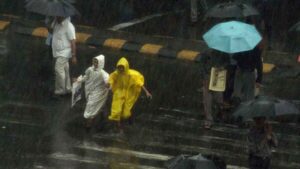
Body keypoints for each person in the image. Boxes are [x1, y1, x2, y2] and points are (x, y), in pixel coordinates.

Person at [108, 57, 152, 133]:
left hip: (129, 93)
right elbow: (111, 79)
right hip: (119, 92)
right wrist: (110, 86)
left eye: (122, 68)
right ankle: (119, 128)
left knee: (125, 113)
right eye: (119, 68)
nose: (121, 69)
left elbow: (140, 83)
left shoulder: (132, 75)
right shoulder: (116, 73)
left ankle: (128, 119)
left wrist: (147, 92)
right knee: (116, 111)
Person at [76, 55, 109, 131]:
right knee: (96, 105)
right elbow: (86, 77)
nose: (95, 63)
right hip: (90, 91)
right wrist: (78, 80)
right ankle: (102, 115)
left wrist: (108, 84)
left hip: (98, 93)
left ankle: (88, 124)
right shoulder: (90, 69)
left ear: (100, 63)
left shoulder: (104, 73)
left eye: (96, 62)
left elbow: (108, 82)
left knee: (90, 106)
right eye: (94, 61)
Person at [199, 50, 230, 129]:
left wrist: (222, 67)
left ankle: (221, 112)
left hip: (218, 75)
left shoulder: (224, 53)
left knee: (218, 98)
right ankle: (208, 119)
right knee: (207, 99)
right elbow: (202, 64)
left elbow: (227, 62)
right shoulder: (206, 52)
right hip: (208, 75)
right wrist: (203, 76)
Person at [52, 16, 77, 96]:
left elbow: (73, 41)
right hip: (58, 51)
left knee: (58, 69)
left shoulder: (69, 26)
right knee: (65, 70)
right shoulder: (56, 23)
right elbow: (51, 31)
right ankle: (67, 88)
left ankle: (60, 90)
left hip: (65, 52)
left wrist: (73, 56)